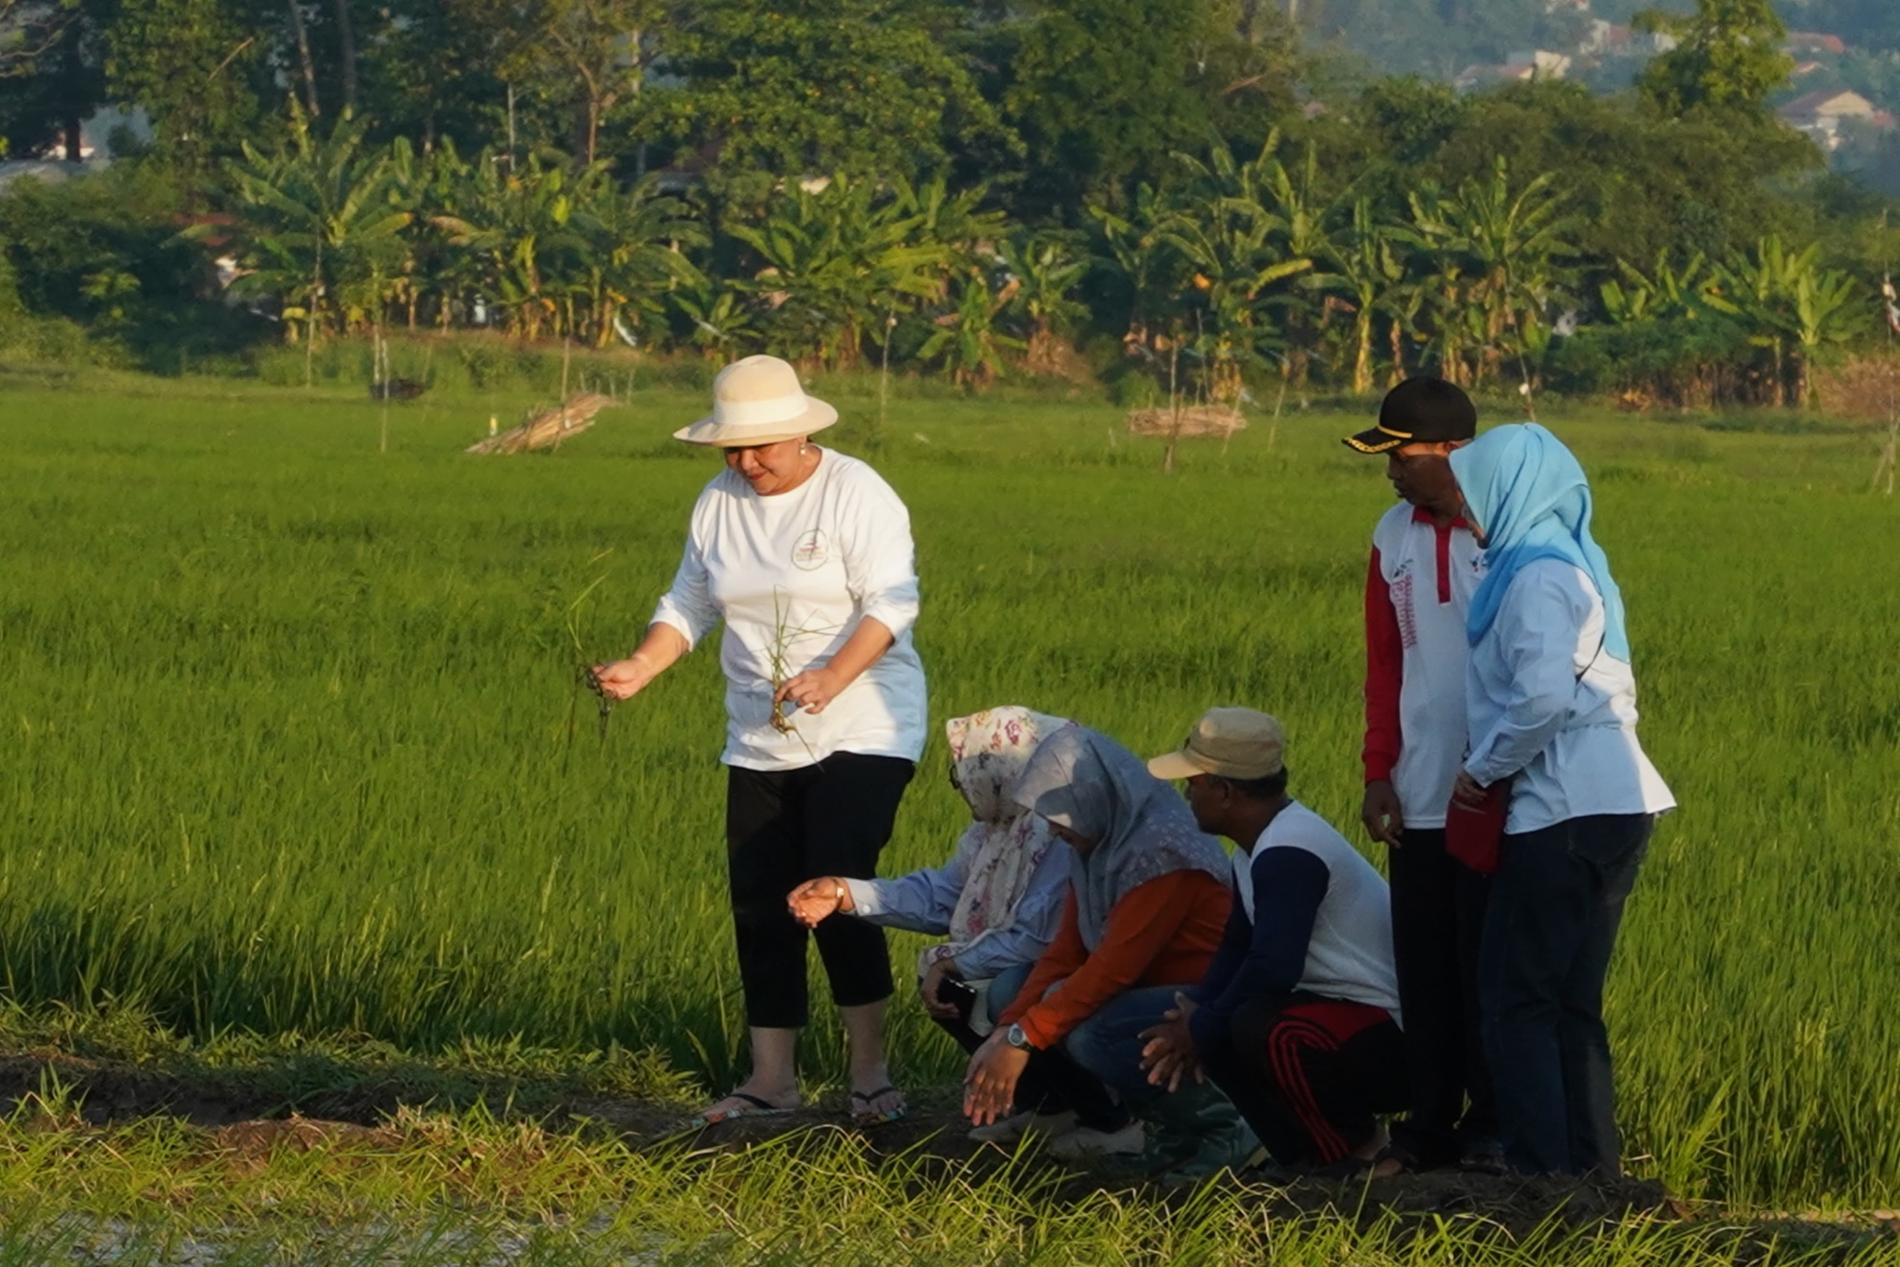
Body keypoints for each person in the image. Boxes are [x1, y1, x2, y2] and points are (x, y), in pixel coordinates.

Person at [591, 354, 927, 1127]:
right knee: (760, 906)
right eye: (731, 450)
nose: (746, 464)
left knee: (837, 888)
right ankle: (772, 1078)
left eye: (761, 448)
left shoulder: (855, 491)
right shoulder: (718, 503)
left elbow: (892, 600)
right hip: (759, 734)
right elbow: (689, 601)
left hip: (866, 723)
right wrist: (642, 665)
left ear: (800, 433)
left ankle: (870, 1074)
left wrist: (832, 677)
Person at [1445, 423, 1675, 1177]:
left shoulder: (1538, 575)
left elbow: (1542, 696)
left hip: (1562, 811)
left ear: (1510, 490)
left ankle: (1542, 1178)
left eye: (1474, 489)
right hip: (1616, 802)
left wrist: (1482, 768)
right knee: (1572, 1003)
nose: (1467, 505)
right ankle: (1592, 1175)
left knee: (1516, 1002)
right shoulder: (1571, 562)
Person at [960, 726, 1246, 1172]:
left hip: (1200, 994)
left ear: (1088, 798)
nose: (1054, 832)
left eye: (1058, 816)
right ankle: (1154, 1130)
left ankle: (1229, 1128)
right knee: (1007, 993)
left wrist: (1022, 1040)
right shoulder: (1104, 837)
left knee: (1094, 1036)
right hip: (1144, 986)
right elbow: (1068, 949)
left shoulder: (1162, 853)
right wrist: (1009, 1027)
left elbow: (1113, 970)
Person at [786, 707, 1078, 1142]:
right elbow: (943, 896)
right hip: (1037, 966)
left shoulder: (1057, 832)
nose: (961, 786)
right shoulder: (992, 832)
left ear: (1001, 768)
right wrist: (845, 892)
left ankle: (1101, 1115)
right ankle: (1048, 1106)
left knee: (1002, 989)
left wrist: (951, 960)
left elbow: (1036, 937)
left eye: (965, 772)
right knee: (953, 983)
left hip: (1073, 969)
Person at [1139, 708, 1407, 1173]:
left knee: (1264, 1028)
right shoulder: (1256, 850)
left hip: (1389, 1034)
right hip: (1338, 1013)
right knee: (1223, 1022)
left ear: (1224, 792)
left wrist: (1201, 1025)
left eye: (1195, 782)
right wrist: (1195, 1008)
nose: (1187, 794)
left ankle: (1350, 1150)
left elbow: (1273, 967)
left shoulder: (1289, 852)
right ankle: (1298, 1155)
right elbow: (1236, 947)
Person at [1342, 378, 1499, 1172]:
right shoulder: (1391, 534)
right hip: (1418, 790)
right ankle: (1429, 1125)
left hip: (1494, 793)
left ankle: (1495, 1126)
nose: (1391, 473)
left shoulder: (1501, 532)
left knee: (1489, 967)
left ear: (1453, 453)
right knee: (1426, 970)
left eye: (1400, 455)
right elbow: (1385, 660)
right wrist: (1380, 768)